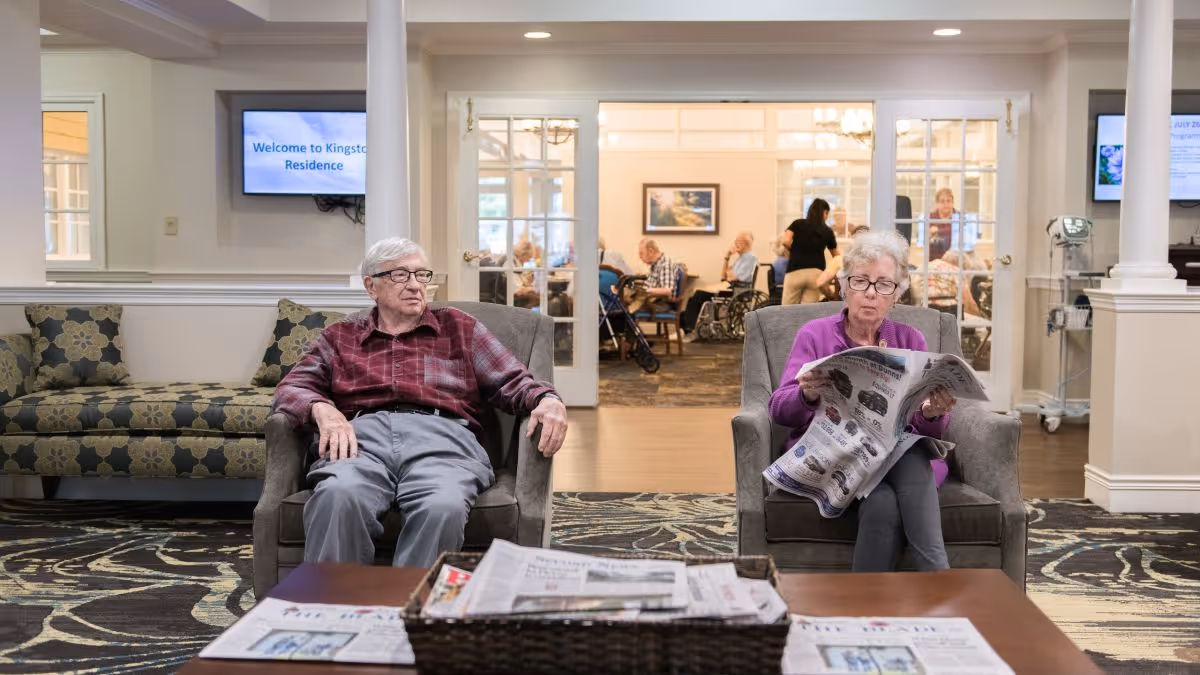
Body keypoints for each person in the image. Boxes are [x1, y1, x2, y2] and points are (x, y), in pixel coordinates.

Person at [273, 237, 569, 568]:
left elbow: (512, 380)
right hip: (361, 442)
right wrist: (321, 408)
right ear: (372, 286)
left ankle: (412, 611)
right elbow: (291, 388)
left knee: (443, 506)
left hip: (443, 440)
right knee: (338, 497)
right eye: (401, 275)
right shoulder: (342, 336)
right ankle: (338, 609)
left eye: (422, 275)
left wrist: (546, 398)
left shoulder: (458, 327)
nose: (415, 285)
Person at [768, 230, 956, 573]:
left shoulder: (910, 339)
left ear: (896, 294)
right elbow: (778, 409)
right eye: (861, 282)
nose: (870, 294)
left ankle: (863, 611)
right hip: (834, 455)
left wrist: (932, 411)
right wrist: (808, 393)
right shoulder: (815, 334)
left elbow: (935, 427)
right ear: (844, 287)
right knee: (910, 458)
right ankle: (939, 578)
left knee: (885, 500)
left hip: (890, 460)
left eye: (884, 284)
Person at [681, 231, 758, 335]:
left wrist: (730, 275)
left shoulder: (750, 258)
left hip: (737, 290)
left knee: (699, 295)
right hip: (730, 286)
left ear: (746, 243)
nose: (735, 244)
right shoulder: (740, 258)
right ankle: (686, 325)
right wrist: (727, 257)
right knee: (695, 295)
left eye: (738, 241)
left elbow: (735, 277)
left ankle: (688, 327)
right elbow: (724, 276)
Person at [781, 198, 840, 305]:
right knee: (807, 312)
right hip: (816, 273)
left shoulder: (797, 223)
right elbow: (837, 256)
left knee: (787, 311)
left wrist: (795, 249)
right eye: (828, 214)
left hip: (795, 271)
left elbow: (785, 241)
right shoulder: (827, 230)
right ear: (825, 212)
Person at [926, 188, 959, 262]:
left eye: (948, 201)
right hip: (934, 261)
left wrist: (938, 231)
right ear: (937, 203)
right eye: (942, 201)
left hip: (955, 262)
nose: (946, 204)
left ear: (952, 202)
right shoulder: (930, 217)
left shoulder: (959, 217)